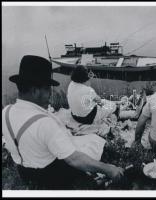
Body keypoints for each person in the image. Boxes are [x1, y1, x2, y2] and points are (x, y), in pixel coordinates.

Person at [2, 55, 124, 189]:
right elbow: (74, 159)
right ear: (35, 91)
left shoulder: (6, 112)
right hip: (49, 176)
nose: (51, 94)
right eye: (48, 89)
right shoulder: (45, 123)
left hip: (24, 172)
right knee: (88, 147)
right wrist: (109, 169)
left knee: (80, 142)